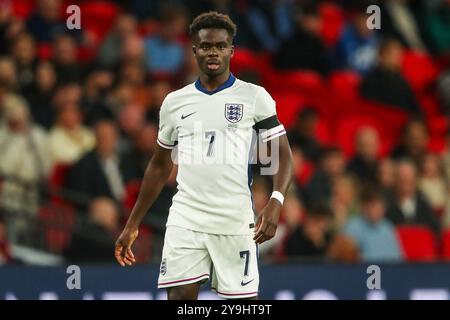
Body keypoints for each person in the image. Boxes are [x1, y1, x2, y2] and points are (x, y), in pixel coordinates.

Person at [114, 12, 293, 300]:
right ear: (194, 50)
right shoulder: (174, 103)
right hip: (187, 217)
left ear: (231, 51)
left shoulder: (254, 97)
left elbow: (283, 156)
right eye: (206, 46)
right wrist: (132, 223)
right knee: (180, 300)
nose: (213, 52)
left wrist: (276, 200)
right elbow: (159, 167)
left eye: (221, 46)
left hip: (234, 219)